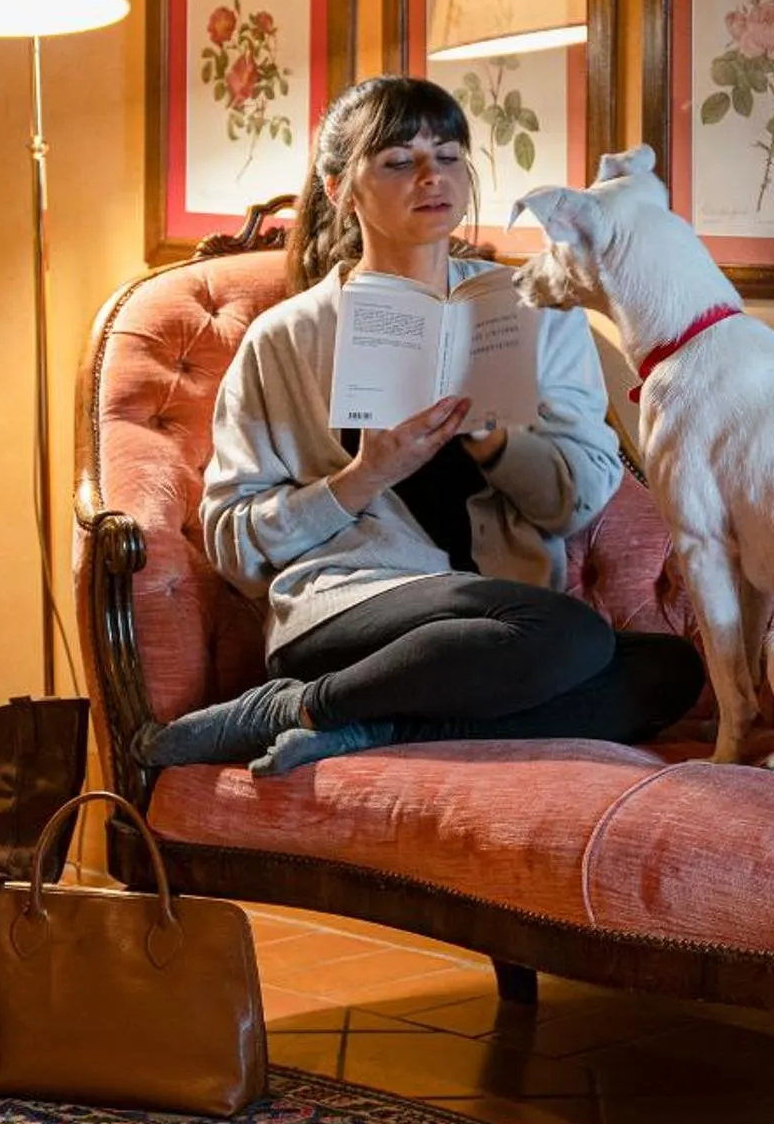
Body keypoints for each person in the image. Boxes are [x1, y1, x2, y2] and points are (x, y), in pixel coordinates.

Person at [140, 76, 703, 777]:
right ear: (341, 186)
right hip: (349, 611)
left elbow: (580, 498)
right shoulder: (283, 339)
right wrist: (360, 479)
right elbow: (232, 541)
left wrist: (496, 444)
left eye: (450, 153)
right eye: (398, 160)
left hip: (494, 627)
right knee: (566, 634)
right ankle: (302, 700)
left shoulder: (535, 314)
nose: (432, 175)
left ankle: (344, 719)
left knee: (668, 669)